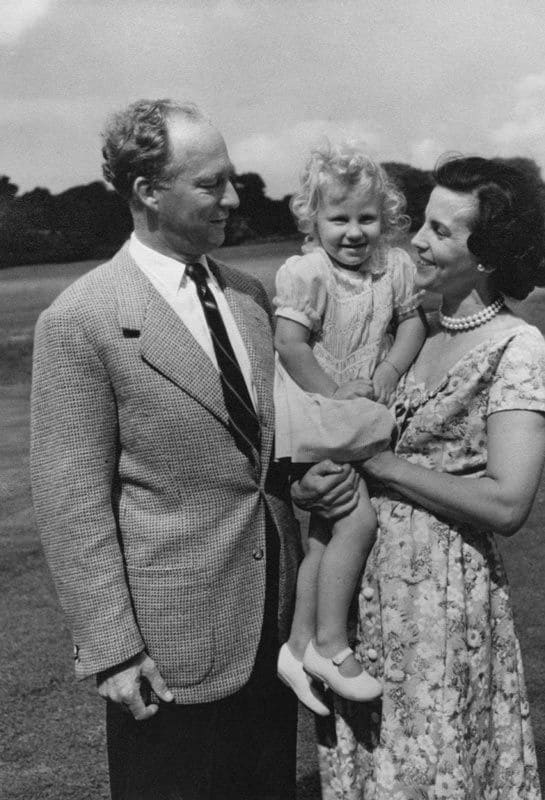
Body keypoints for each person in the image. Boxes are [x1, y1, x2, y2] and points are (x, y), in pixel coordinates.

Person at [29, 98, 355, 800]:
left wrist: (304, 480)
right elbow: (70, 503)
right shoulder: (80, 321)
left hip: (273, 628)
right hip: (167, 650)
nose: (233, 199)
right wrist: (114, 651)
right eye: (211, 183)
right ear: (147, 191)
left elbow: (262, 447)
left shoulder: (246, 297)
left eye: (230, 179)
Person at [294, 155, 545, 799]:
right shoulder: (411, 333)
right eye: (423, 225)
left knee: (436, 773)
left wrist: (381, 465)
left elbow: (509, 502)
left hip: (440, 601)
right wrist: (315, 485)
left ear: (485, 255)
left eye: (440, 231)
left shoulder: (519, 349)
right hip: (362, 594)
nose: (417, 242)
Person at [274, 141, 426, 713]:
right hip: (317, 414)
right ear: (314, 221)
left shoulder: (395, 267)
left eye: (367, 218)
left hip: (362, 409)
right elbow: (289, 345)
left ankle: (296, 646)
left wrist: (386, 371)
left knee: (325, 533)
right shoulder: (308, 273)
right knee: (356, 521)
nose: (354, 232)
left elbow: (411, 326)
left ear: (385, 220)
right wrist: (335, 394)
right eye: (339, 219)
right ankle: (332, 646)